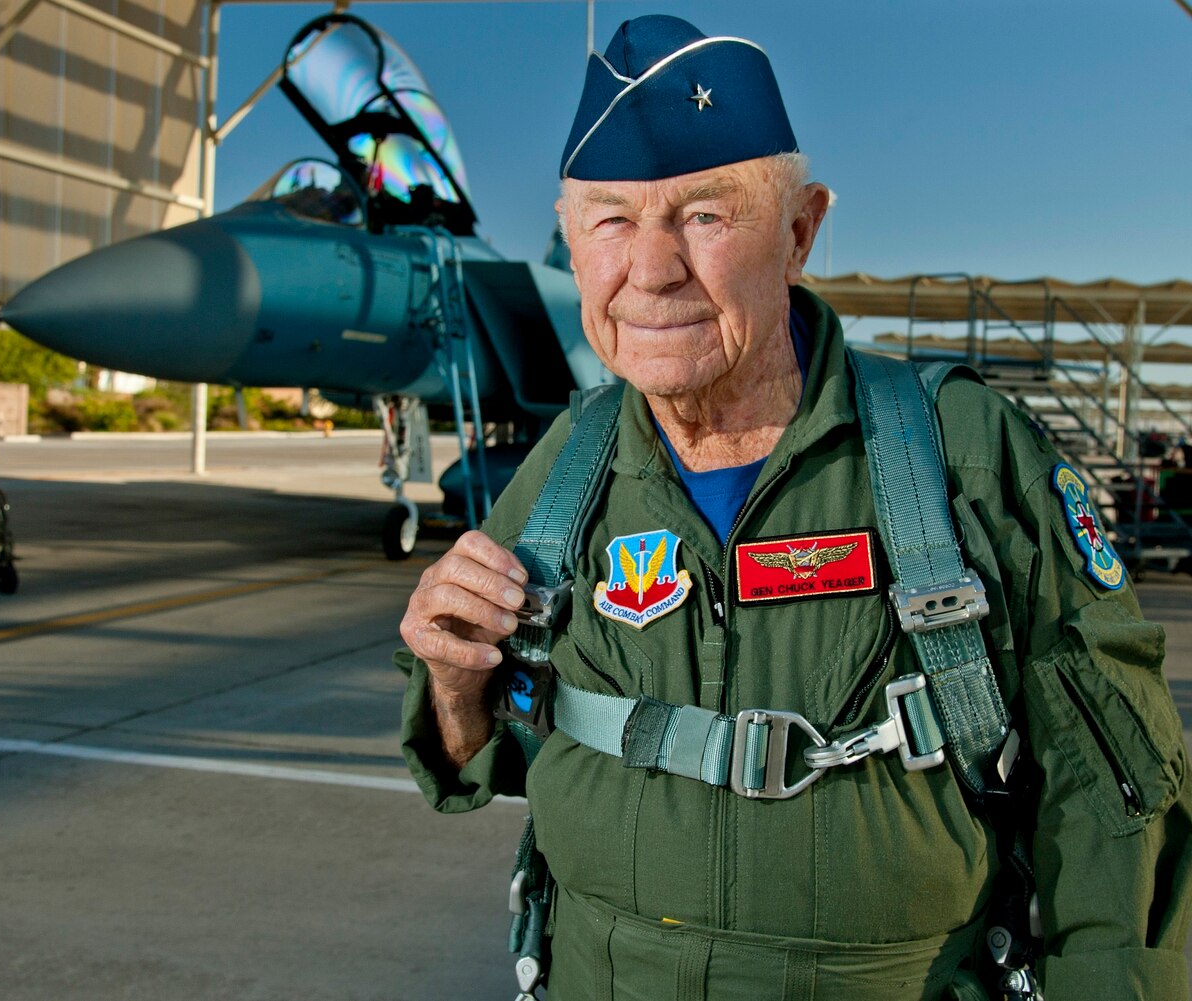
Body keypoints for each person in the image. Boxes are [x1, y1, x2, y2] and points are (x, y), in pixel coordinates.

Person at [397, 15, 1191, 1000]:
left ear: (801, 231)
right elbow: (487, 749)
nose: (648, 271)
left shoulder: (966, 456)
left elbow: (1118, 808)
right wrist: (451, 674)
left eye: (704, 214)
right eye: (609, 218)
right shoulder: (567, 465)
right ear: (568, 236)